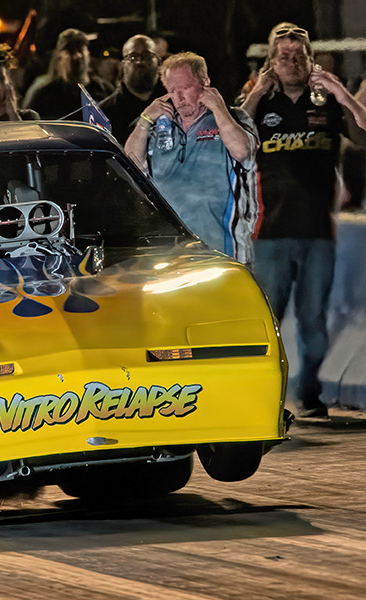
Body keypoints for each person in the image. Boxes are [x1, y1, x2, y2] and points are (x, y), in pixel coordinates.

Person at [240, 23, 366, 418]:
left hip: (318, 233)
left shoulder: (327, 103)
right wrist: (258, 92)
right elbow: (232, 140)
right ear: (270, 64)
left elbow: (363, 131)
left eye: (299, 56)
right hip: (269, 232)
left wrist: (342, 93)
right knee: (267, 322)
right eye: (283, 57)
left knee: (313, 321)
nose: (292, 62)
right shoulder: (257, 102)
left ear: (311, 60)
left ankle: (309, 396)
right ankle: (265, 399)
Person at [124, 51, 259, 263]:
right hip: (169, 253)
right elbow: (129, 165)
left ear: (205, 82)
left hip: (223, 250)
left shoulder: (234, 118)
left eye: (185, 88)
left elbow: (243, 151)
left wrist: (218, 107)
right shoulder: (159, 126)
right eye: (172, 90)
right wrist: (144, 120)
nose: (178, 98)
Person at [23, 28, 113, 120]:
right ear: (59, 57)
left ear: (88, 54)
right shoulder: (44, 95)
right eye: (71, 51)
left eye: (80, 49)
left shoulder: (103, 90)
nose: (77, 56)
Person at [99, 35, 166, 144]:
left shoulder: (176, 103)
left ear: (158, 61)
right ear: (123, 64)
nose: (139, 62)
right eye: (132, 57)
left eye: (147, 55)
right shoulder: (105, 114)